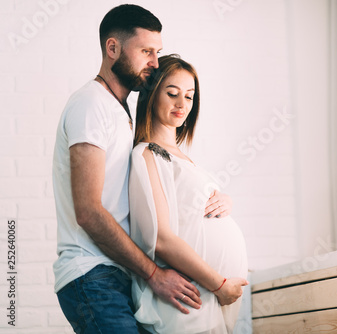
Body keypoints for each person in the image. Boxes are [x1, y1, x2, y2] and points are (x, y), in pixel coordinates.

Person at [52, 5, 203, 333]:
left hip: (114, 273)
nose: (155, 62)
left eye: (158, 52)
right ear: (113, 48)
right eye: (146, 51)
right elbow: (89, 212)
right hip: (92, 274)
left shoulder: (119, 110)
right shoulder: (91, 105)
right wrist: (154, 274)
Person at [129, 54, 249, 333]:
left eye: (189, 96)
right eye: (172, 93)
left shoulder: (184, 159)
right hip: (189, 301)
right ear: (151, 95)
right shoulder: (147, 154)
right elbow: (161, 239)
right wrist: (219, 284)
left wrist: (225, 200)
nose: (182, 103)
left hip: (207, 300)